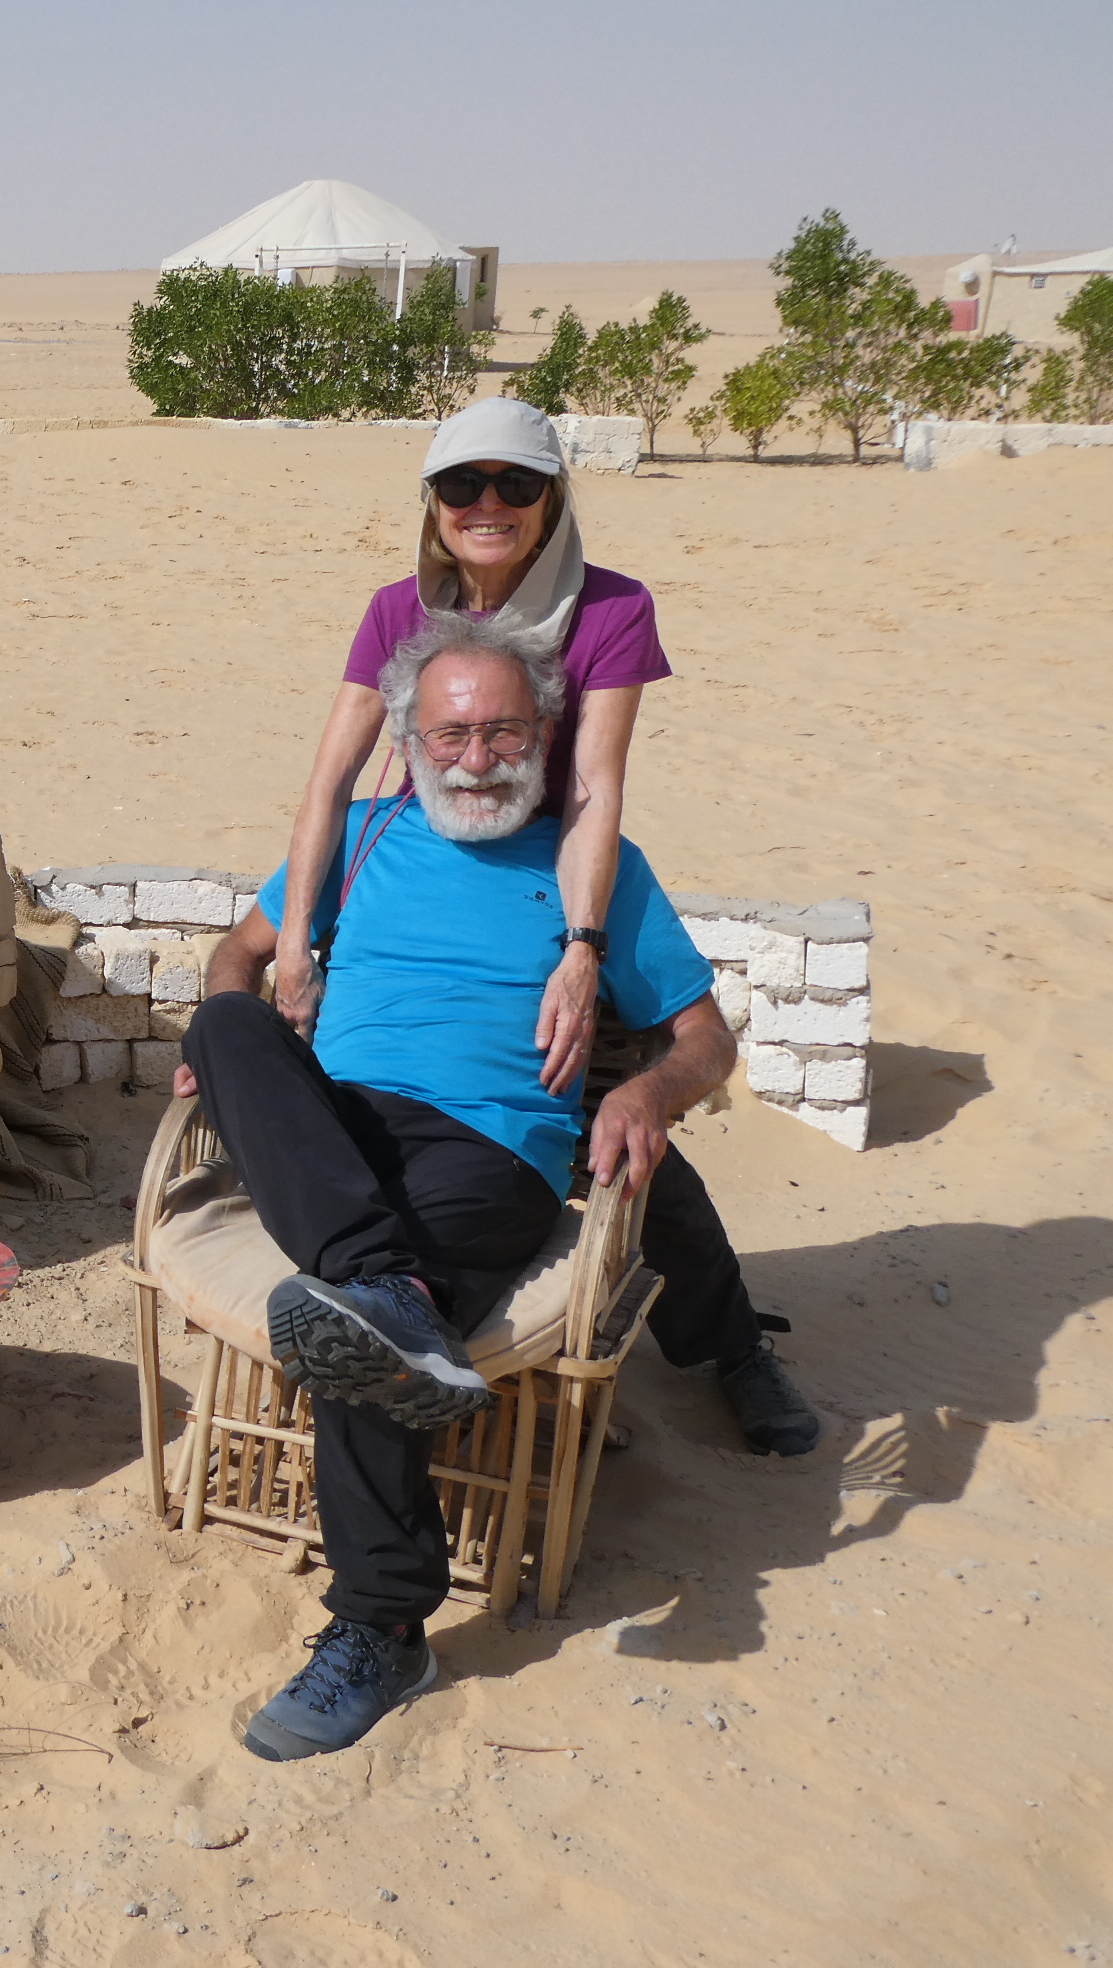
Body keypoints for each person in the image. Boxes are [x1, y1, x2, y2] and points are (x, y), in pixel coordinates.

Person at [176, 619, 777, 1761]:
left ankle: (380, 1627)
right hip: (333, 1136)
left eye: (504, 731)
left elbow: (704, 1039)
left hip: (489, 1147)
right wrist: (246, 1009)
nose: (476, 758)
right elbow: (237, 957)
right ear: (406, 741)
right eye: (449, 734)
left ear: (546, 734)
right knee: (222, 1025)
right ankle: (383, 1286)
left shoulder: (594, 866)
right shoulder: (357, 839)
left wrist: (645, 1091)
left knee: (359, 1332)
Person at [271, 396, 813, 1456]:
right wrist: (295, 943)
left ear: (552, 499)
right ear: (431, 503)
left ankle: (734, 1347)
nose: (488, 504)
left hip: (545, 868)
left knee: (628, 1144)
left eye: (516, 483)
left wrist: (581, 946)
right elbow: (329, 780)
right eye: (461, 484)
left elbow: (593, 789)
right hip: (437, 847)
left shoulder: (610, 609)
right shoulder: (395, 610)